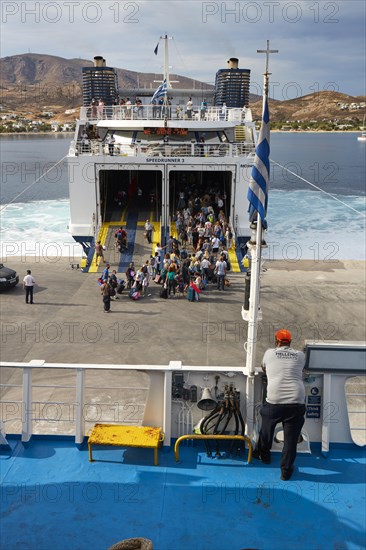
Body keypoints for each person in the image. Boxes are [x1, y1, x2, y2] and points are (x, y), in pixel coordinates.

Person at [253, 329, 306, 481]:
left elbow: (264, 368)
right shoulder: (300, 355)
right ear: (290, 342)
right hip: (296, 402)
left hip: (274, 402)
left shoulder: (270, 353)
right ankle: (286, 472)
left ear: (276, 341)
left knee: (266, 430)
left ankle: (264, 456)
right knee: (290, 441)